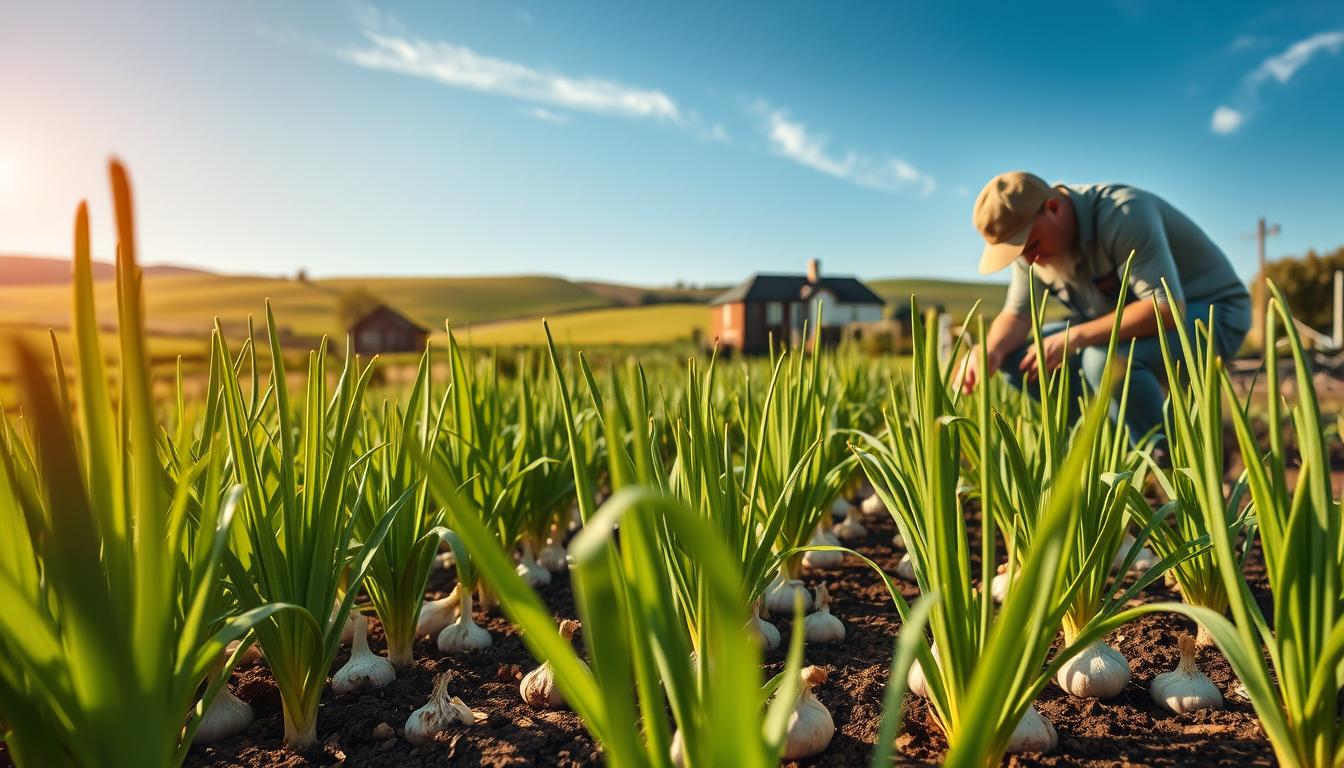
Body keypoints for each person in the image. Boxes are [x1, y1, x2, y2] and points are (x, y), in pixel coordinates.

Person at [958, 171, 1251, 443]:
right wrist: (989, 350)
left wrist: (1076, 336)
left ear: (1053, 207)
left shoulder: (1123, 214)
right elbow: (1018, 314)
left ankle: (1167, 455)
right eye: (1017, 253)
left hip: (1212, 316)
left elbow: (1165, 308)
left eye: (1030, 245)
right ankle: (1100, 445)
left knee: (1103, 361)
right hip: (1128, 327)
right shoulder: (1031, 250)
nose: (1028, 260)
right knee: (1019, 359)